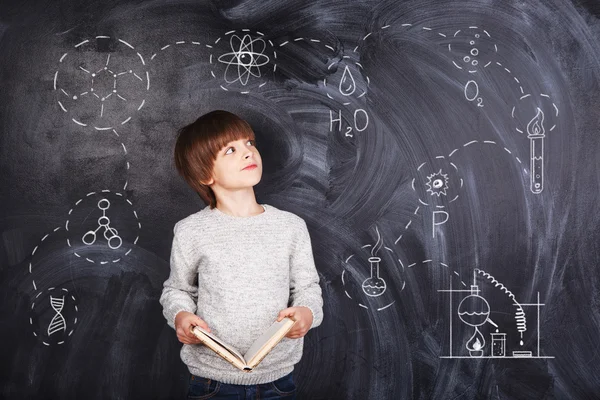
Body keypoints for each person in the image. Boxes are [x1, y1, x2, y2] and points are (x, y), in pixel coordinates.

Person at [159, 110, 324, 399]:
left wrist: (307, 313)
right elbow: (177, 290)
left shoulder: (290, 227)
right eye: (231, 150)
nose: (248, 153)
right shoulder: (191, 231)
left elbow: (308, 288)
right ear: (205, 174)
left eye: (249, 142)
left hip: (278, 380)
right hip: (211, 382)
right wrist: (180, 315)